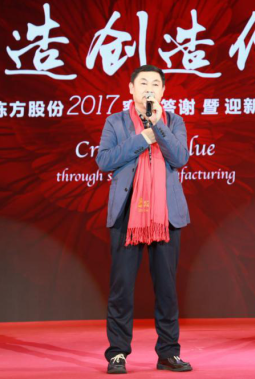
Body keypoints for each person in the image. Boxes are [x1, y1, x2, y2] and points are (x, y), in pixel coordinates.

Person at [96, 65, 192, 374]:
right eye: (143, 83)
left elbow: (180, 157)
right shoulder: (115, 121)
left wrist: (158, 127)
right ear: (131, 89)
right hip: (127, 213)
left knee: (166, 288)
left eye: (155, 84)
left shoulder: (174, 121)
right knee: (121, 287)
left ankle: (168, 353)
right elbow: (104, 161)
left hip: (166, 215)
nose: (149, 88)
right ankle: (117, 353)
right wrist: (143, 138)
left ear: (162, 91)